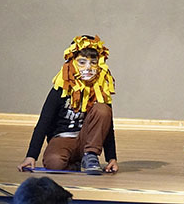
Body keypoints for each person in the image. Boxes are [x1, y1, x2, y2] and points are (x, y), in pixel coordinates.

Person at [17, 35, 117, 174]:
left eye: (93, 62)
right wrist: (31, 156)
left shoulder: (100, 90)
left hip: (87, 140)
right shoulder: (60, 89)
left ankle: (90, 155)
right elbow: (43, 123)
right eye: (82, 62)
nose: (88, 67)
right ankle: (76, 164)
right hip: (62, 138)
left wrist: (112, 157)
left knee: (103, 110)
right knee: (54, 163)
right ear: (72, 63)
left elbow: (107, 126)